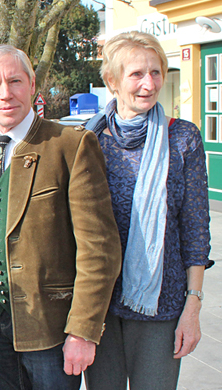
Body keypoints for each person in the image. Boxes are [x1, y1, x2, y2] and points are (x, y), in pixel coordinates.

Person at [0, 44, 122, 390]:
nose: (5, 94)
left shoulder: (70, 145)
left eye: (15, 81)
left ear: (32, 84)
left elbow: (99, 249)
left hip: (52, 330)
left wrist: (83, 330)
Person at [83, 31, 211, 390]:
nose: (149, 84)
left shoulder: (182, 137)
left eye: (156, 73)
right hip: (98, 305)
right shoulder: (87, 140)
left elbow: (196, 229)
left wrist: (193, 306)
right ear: (112, 80)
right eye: (137, 74)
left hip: (160, 305)